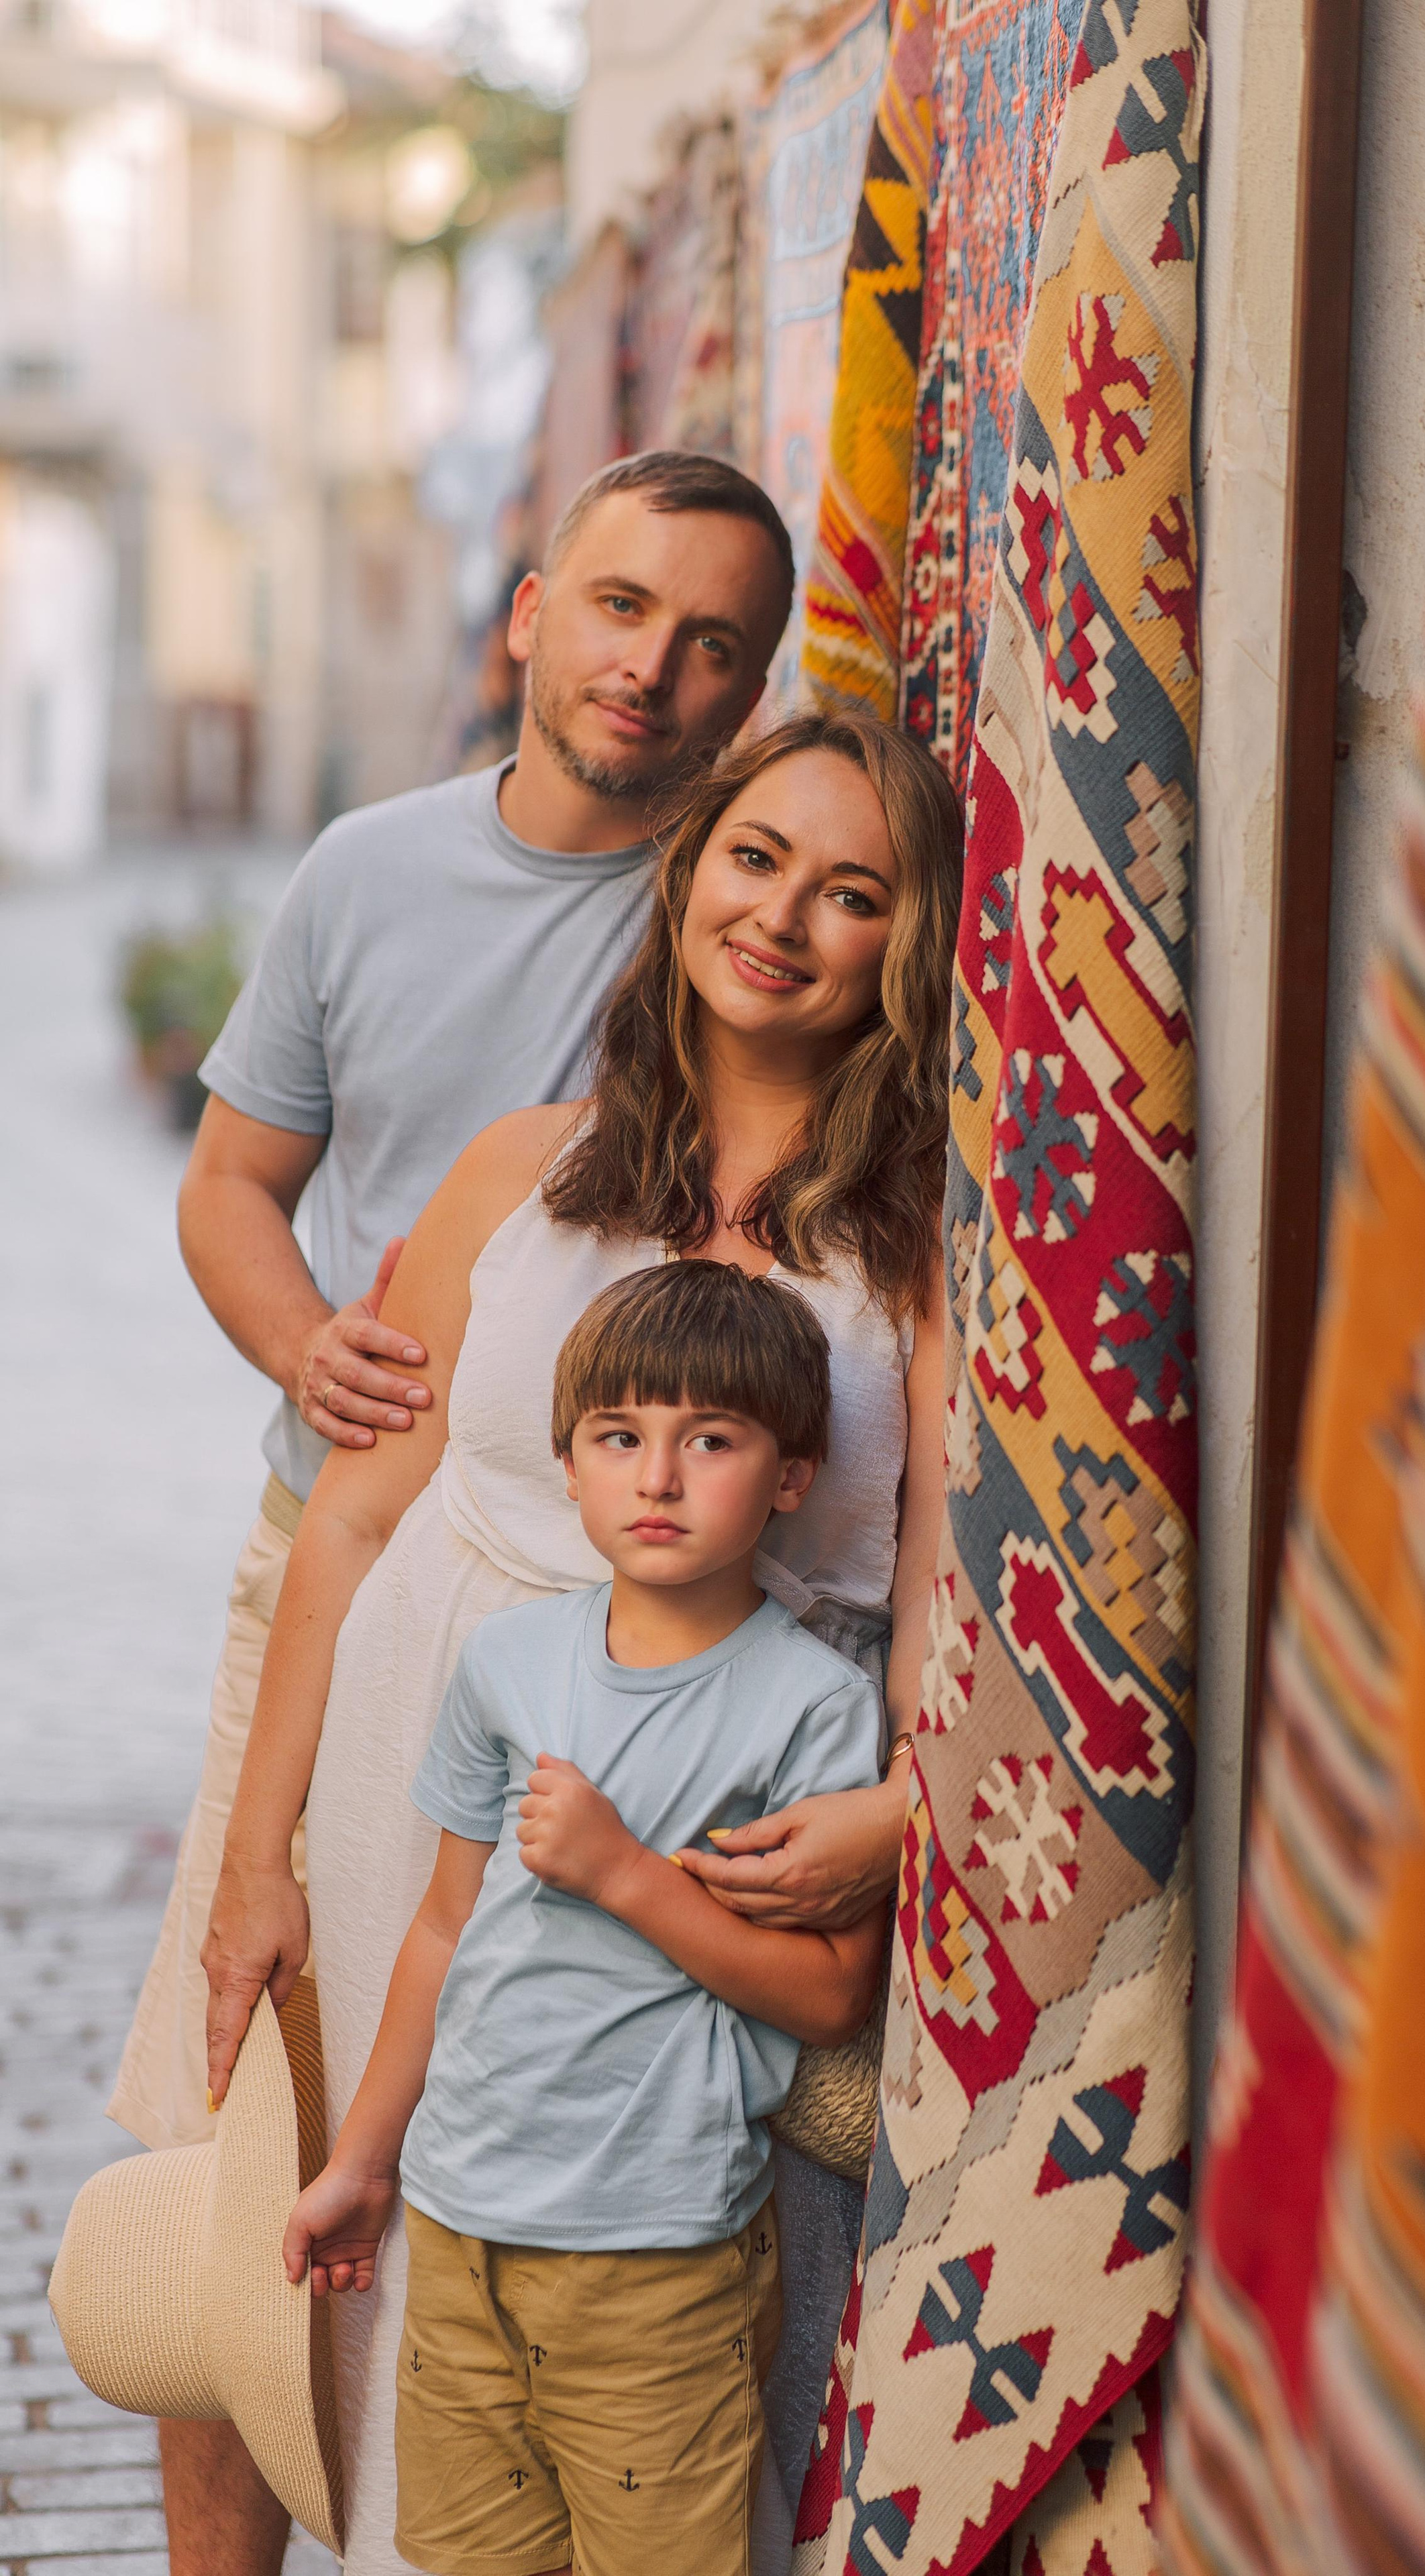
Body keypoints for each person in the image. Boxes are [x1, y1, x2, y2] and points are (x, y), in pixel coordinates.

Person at [109, 448, 798, 2576]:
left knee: (521, 2150)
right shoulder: (365, 875)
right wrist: (304, 1339)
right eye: (620, 607)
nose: (651, 668)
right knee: (248, 2121)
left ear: (754, 686)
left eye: (712, 644)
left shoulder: (742, 905)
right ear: (529, 611)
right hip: (338, 1541)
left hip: (600, 1611)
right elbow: (235, 1181)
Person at [201, 709, 963, 2573]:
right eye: (754, 858)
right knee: (411, 2312)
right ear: (690, 874)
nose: (780, 915)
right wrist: (252, 1859)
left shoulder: (923, 1248)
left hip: (719, 1824)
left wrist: (904, 1813)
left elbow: (948, 1612)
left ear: (908, 946)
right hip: (419, 1792)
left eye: (851, 891)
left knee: (681, 2358)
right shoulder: (523, 1168)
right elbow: (350, 1522)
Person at [283, 1262, 892, 2576]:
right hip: (462, 2230)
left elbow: (833, 1995)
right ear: (568, 1466)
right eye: (620, 1438)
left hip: (659, 2257)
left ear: (791, 1474)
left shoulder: (813, 1707)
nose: (657, 1478)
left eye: (710, 1441)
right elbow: (444, 1930)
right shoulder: (506, 1666)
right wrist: (363, 2164)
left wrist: (625, 1875)